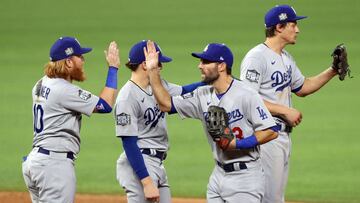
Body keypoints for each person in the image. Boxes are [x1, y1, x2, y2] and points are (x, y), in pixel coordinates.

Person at [145, 40, 279, 202]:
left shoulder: (247, 94)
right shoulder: (202, 94)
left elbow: (271, 131)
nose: (200, 66)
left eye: (206, 62)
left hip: (246, 178)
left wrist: (236, 144)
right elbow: (166, 104)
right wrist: (153, 71)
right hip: (218, 176)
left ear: (221, 66)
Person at [240, 5, 340, 203]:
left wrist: (332, 71)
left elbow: (303, 86)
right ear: (279, 27)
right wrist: (284, 110)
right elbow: (246, 98)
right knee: (270, 199)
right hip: (265, 136)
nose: (297, 30)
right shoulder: (256, 57)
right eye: (293, 25)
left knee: (275, 198)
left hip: (281, 137)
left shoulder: (285, 58)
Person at [22, 36, 120, 203]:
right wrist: (113, 68)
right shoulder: (64, 90)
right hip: (54, 166)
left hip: (35, 162)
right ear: (68, 62)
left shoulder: (40, 83)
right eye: (80, 57)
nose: (83, 61)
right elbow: (106, 105)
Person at [114, 40, 205, 203]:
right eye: (159, 63)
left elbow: (185, 91)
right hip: (139, 164)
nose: (161, 67)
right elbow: (129, 143)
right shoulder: (127, 98)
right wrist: (147, 181)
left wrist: (217, 80)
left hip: (157, 163)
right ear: (145, 64)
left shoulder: (157, 85)